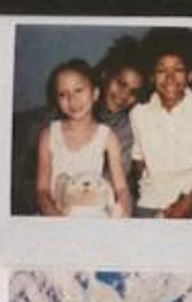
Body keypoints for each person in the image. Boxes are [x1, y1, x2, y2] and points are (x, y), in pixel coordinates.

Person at [127, 36, 192, 218]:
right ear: (152, 77)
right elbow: (139, 160)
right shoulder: (139, 113)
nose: (170, 78)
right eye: (161, 70)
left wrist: (187, 204)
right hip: (152, 202)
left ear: (190, 75)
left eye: (178, 70)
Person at [34, 60, 130, 217]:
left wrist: (123, 211)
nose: (72, 100)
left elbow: (122, 188)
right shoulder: (48, 135)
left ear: (95, 93)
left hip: (92, 214)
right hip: (56, 214)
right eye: (63, 94)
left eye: (78, 90)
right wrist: (58, 219)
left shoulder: (107, 136)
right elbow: (42, 190)